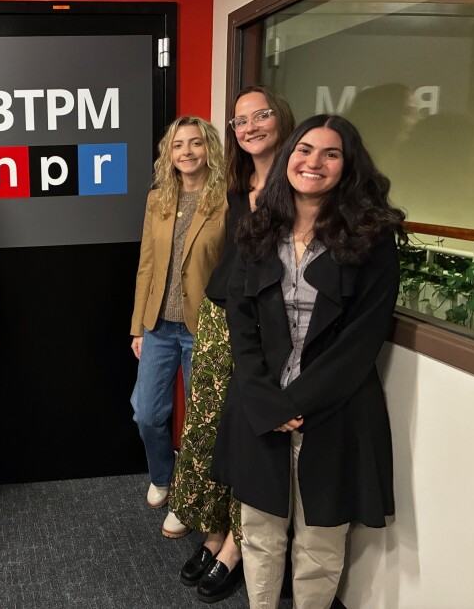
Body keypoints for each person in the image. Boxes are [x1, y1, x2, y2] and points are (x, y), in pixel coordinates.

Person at [212, 115, 405, 608]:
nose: (313, 162)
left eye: (330, 153)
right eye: (304, 150)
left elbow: (361, 343)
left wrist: (295, 402)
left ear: (348, 165)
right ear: (288, 157)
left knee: (319, 542)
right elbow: (241, 320)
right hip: (261, 405)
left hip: (334, 411)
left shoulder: (373, 239)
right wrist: (264, 400)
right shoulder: (256, 230)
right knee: (259, 533)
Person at [168, 86, 295, 603]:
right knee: (207, 431)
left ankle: (238, 550)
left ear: (281, 119)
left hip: (268, 327)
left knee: (248, 436)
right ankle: (215, 534)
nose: (250, 127)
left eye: (260, 115)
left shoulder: (299, 183)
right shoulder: (238, 185)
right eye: (241, 120)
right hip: (223, 317)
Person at [128, 116, 227, 520]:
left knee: (202, 421)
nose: (186, 152)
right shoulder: (159, 199)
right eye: (177, 145)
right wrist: (137, 326)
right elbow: (146, 267)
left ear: (210, 149)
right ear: (168, 154)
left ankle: (189, 499)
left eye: (195, 143)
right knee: (147, 413)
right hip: (158, 327)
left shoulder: (227, 200)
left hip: (203, 327)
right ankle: (163, 475)